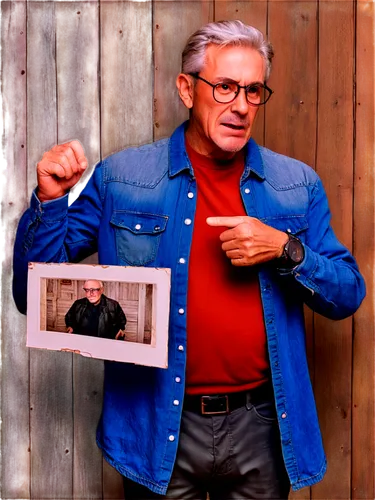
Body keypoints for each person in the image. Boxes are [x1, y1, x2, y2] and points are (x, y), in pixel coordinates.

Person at [13, 20, 365, 500]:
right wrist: (51, 201)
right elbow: (33, 296)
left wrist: (285, 249)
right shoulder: (123, 178)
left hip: (262, 426)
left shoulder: (295, 185)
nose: (240, 106)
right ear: (186, 89)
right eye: (224, 87)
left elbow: (348, 292)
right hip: (159, 421)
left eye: (253, 91)